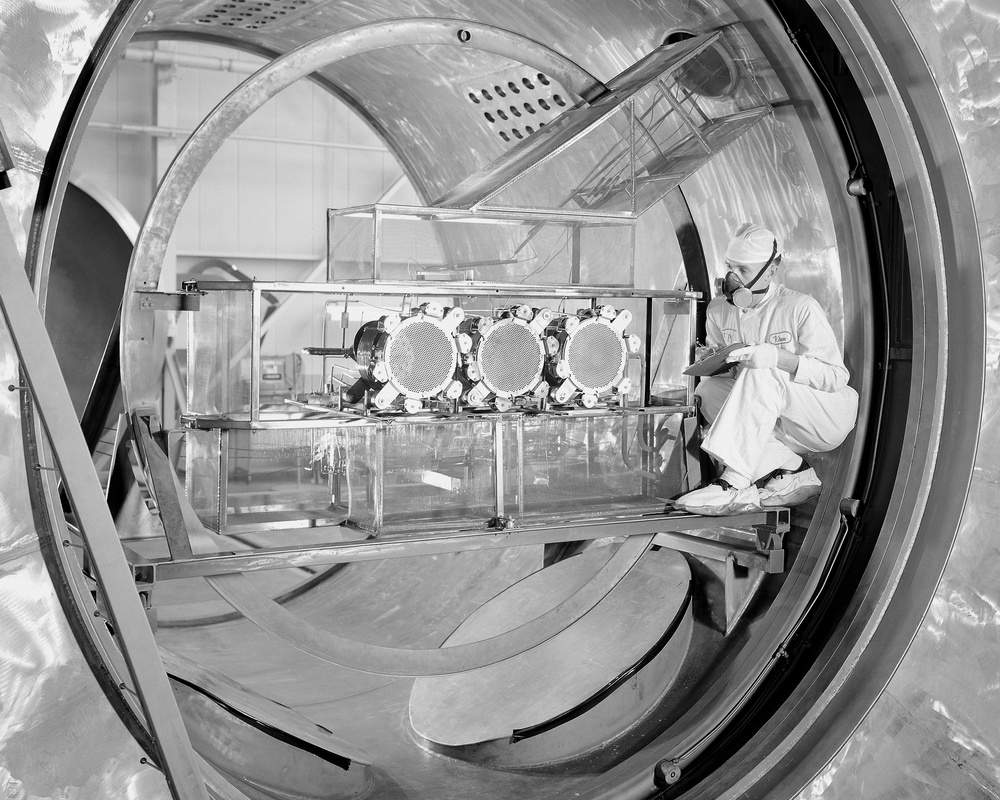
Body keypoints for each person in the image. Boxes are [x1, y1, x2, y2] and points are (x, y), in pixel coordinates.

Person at [674, 222, 859, 515]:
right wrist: (712, 360)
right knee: (708, 391)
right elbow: (736, 383)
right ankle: (796, 471)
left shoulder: (799, 307)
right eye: (730, 267)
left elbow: (836, 377)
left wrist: (779, 357)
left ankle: (734, 484)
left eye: (743, 271)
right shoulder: (719, 310)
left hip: (822, 417)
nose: (732, 278)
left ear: (771, 270)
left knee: (765, 367)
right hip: (775, 422)